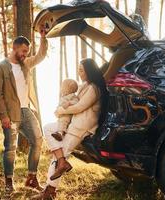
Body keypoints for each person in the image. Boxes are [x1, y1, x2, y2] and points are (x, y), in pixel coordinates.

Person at [32, 58, 109, 199]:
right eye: (78, 69)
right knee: (48, 128)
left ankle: (49, 192)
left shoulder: (94, 88)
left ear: (89, 71)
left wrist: (61, 111)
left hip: (81, 127)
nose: (79, 73)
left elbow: (80, 107)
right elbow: (73, 101)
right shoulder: (85, 85)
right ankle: (62, 162)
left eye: (81, 70)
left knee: (59, 155)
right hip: (73, 124)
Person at [0, 29, 48, 196]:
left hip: (26, 110)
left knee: (37, 141)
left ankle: (31, 178)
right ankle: (9, 182)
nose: (25, 55)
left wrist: (43, 39)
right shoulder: (0, 68)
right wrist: (3, 116)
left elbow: (41, 56)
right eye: (23, 51)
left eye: (27, 52)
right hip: (11, 114)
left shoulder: (26, 64)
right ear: (14, 48)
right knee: (10, 148)